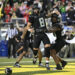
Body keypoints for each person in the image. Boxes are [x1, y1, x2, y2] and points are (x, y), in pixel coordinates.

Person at [21, 4, 51, 70]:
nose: (35, 10)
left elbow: (49, 15)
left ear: (38, 9)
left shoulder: (42, 14)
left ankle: (47, 63)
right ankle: (35, 56)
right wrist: (29, 29)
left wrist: (51, 11)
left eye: (36, 9)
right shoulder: (32, 16)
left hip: (43, 33)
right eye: (34, 9)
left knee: (47, 47)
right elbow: (28, 26)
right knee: (35, 50)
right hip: (37, 34)